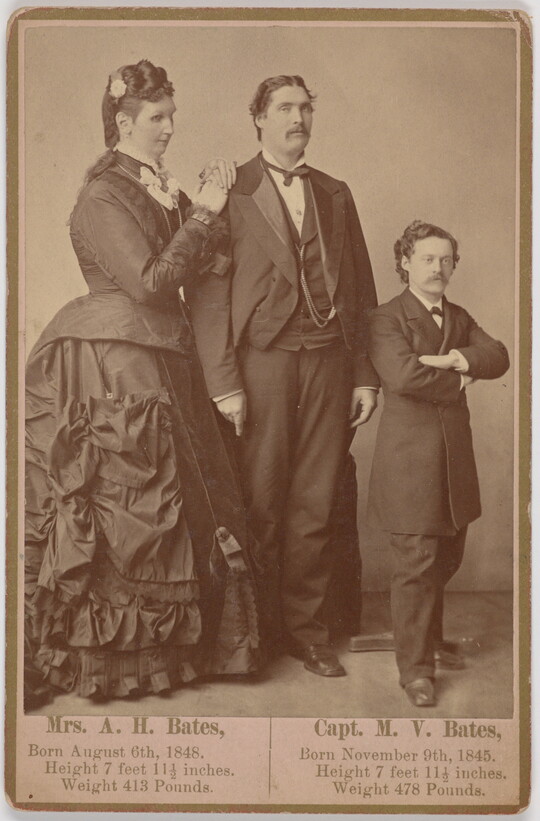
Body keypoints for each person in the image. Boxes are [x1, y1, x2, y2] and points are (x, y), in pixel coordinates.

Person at [24, 60, 260, 708]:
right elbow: (152, 282)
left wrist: (209, 210)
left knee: (186, 497)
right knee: (133, 502)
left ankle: (189, 654)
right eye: (158, 118)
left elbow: (203, 261)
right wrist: (202, 213)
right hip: (119, 361)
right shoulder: (101, 197)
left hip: (169, 356)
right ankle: (122, 661)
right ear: (123, 123)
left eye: (172, 115)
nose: (170, 127)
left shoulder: (158, 186)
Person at [187, 75, 378, 677]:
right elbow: (208, 298)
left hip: (329, 360)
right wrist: (223, 382)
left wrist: (366, 374)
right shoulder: (230, 190)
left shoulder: (335, 192)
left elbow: (362, 287)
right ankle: (257, 634)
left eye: (305, 108)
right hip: (262, 364)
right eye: (284, 108)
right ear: (259, 120)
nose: (297, 117)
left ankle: (308, 631)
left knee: (316, 499)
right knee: (262, 498)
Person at [367, 220, 509, 707]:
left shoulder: (459, 315)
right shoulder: (385, 318)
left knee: (446, 559)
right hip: (409, 466)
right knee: (416, 567)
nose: (438, 268)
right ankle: (416, 672)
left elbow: (499, 356)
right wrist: (462, 377)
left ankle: (425, 638)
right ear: (404, 262)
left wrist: (452, 360)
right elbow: (404, 377)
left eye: (446, 260)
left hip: (454, 465)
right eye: (427, 258)